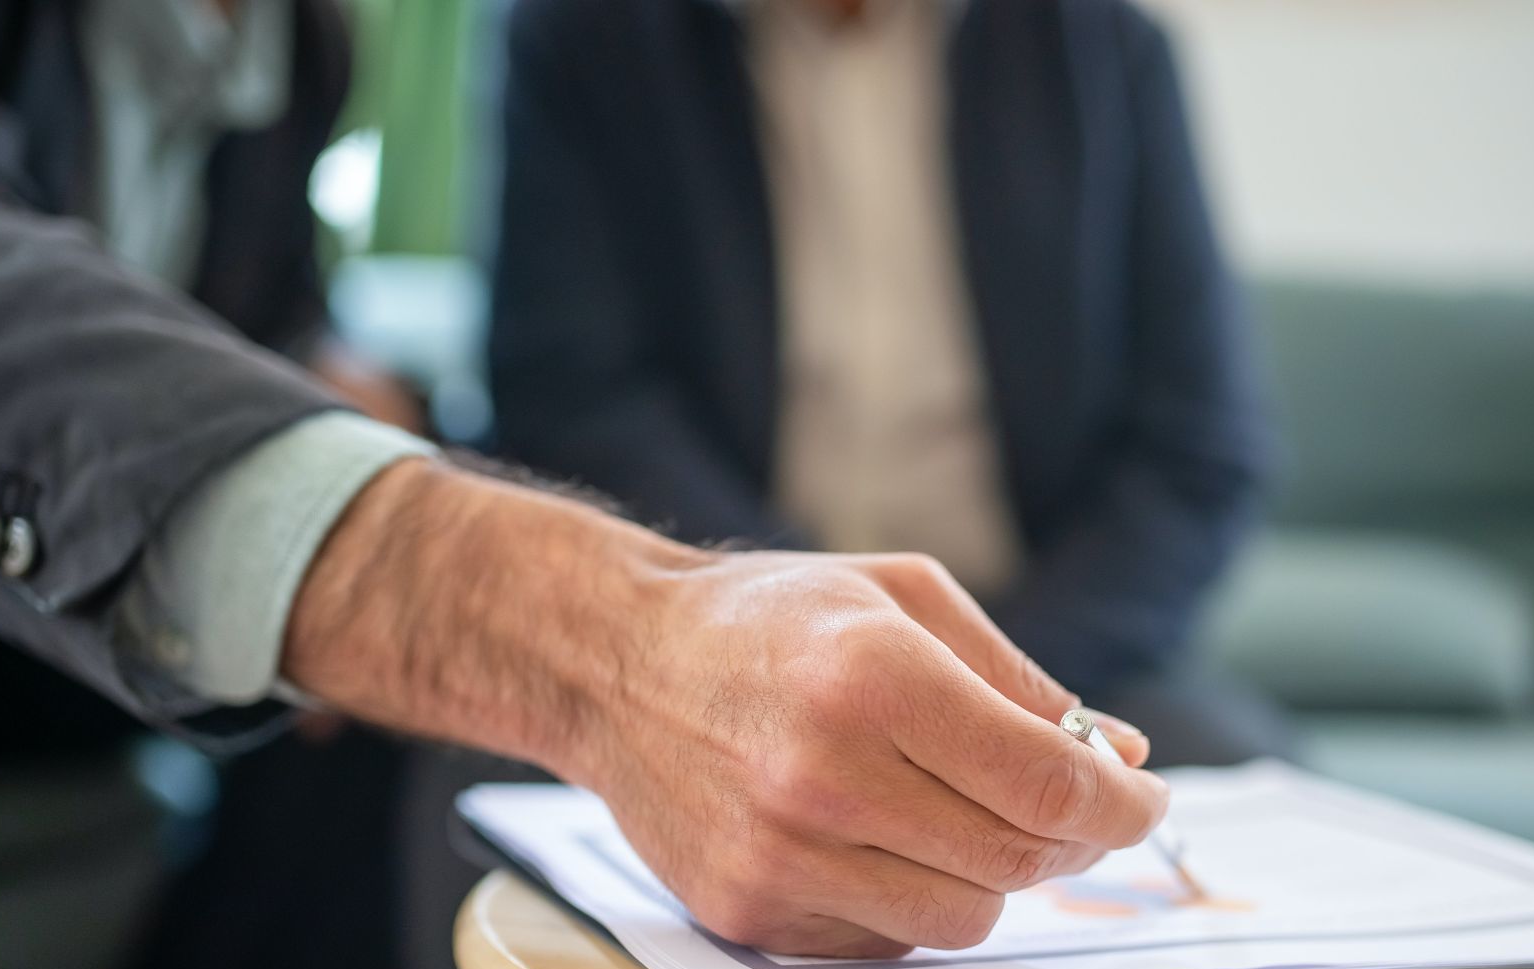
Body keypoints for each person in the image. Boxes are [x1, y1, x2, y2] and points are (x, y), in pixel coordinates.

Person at [0, 3, 1168, 969]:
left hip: (4, 606)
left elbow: (243, 293)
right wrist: (597, 633)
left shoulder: (300, 42)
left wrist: (337, 370)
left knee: (377, 677)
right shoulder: (585, 41)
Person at [489, 0, 1286, 769]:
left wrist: (996, 678)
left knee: (1241, 806)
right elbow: (573, 395)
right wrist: (803, 629)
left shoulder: (1108, 46)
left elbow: (1196, 448)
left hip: (1052, 656)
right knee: (476, 803)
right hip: (706, 632)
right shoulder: (585, 36)